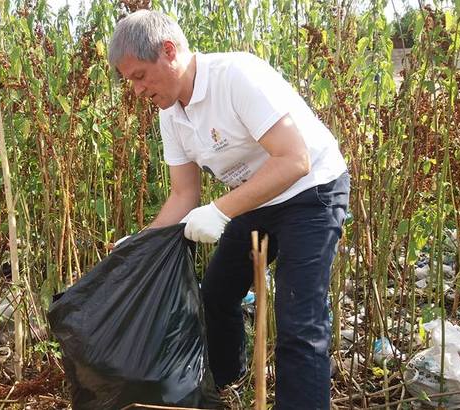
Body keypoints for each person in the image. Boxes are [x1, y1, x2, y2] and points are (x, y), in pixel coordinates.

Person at [109, 9, 349, 410]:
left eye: (139, 76)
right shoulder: (171, 115)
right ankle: (222, 383)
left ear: (169, 51)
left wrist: (219, 212)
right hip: (255, 198)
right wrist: (143, 243)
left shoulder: (235, 77)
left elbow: (294, 160)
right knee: (216, 296)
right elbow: (183, 194)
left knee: (299, 323)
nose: (136, 91)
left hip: (311, 193)